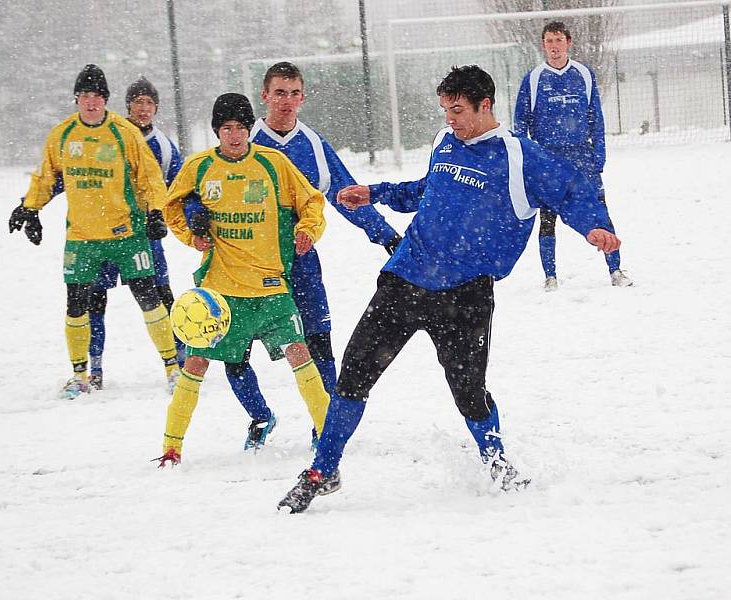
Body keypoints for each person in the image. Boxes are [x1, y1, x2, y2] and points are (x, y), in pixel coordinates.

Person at [277, 65, 622, 513]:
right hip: (405, 278)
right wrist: (377, 192)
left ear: (485, 106)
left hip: (464, 295)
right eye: (445, 109)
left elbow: (571, 188)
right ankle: (322, 470)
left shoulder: (520, 156)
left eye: (457, 110)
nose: (450, 120)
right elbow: (427, 189)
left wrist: (595, 226)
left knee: (469, 393)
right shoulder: (446, 143)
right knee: (354, 374)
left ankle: (497, 462)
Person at [220, 62, 402, 451]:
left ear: (303, 97)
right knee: (235, 351)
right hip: (246, 266)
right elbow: (206, 186)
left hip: (301, 262)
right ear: (264, 96)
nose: (286, 101)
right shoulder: (243, 141)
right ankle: (260, 415)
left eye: (294, 93)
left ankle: (325, 426)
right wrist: (198, 220)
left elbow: (346, 194)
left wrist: (385, 235)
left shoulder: (314, 144)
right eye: (279, 93)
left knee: (318, 343)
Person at [153, 93, 335, 478]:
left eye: (240, 128)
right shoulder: (200, 167)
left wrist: (307, 229)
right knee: (198, 362)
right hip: (221, 292)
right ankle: (171, 448)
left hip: (270, 287)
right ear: (216, 131)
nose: (234, 136)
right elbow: (172, 205)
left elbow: (313, 201)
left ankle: (329, 435)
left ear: (250, 128)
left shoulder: (274, 164)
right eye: (226, 129)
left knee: (300, 353)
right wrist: (193, 235)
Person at [8, 64, 179, 400]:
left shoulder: (123, 133)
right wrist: (30, 207)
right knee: (77, 305)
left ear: (106, 99)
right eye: (85, 95)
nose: (91, 102)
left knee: (150, 298)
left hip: (126, 234)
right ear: (76, 99)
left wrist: (157, 211)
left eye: (98, 96)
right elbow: (46, 177)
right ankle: (79, 375)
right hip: (83, 237)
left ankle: (173, 369)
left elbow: (149, 178)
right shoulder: (62, 134)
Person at [514, 21, 632, 291]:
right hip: (549, 162)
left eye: (558, 40)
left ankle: (615, 270)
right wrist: (530, 160)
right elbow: (520, 123)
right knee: (547, 219)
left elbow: (596, 119)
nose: (554, 46)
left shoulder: (584, 74)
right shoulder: (532, 79)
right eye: (549, 41)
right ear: (543, 45)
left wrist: (598, 155)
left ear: (568, 42)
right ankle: (551, 277)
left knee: (600, 213)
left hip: (582, 159)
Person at [87, 76, 185, 391]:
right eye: (138, 102)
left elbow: (181, 186)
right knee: (93, 300)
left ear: (156, 108)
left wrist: (172, 216)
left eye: (149, 103)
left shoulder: (164, 146)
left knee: (161, 298)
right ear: (128, 105)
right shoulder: (110, 136)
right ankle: (94, 368)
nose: (143, 109)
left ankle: (179, 363)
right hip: (105, 233)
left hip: (145, 237)